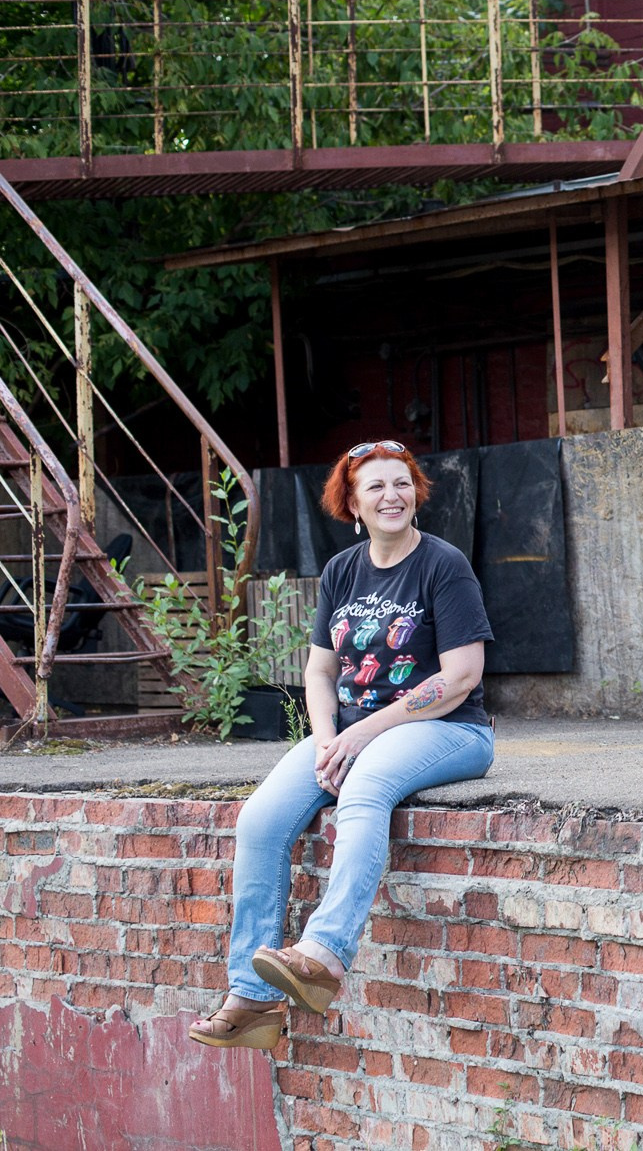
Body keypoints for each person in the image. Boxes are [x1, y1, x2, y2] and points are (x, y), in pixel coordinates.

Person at [189, 441, 495, 1049]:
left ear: (416, 494)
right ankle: (252, 1000)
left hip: (449, 730)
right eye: (376, 487)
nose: (392, 496)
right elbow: (321, 673)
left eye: (402, 483)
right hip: (350, 731)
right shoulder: (341, 571)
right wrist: (327, 739)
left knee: (365, 789)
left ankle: (325, 954)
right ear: (352, 503)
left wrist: (359, 734)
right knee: (260, 821)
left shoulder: (443, 564)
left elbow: (460, 676)